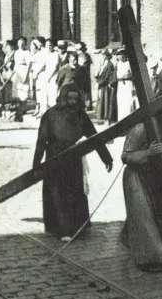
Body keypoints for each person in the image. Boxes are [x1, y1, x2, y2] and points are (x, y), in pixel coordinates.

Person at [33, 83, 113, 241]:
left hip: (73, 158)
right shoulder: (50, 115)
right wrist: (36, 164)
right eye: (70, 98)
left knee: (74, 193)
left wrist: (106, 157)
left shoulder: (81, 115)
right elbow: (41, 141)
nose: (73, 102)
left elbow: (94, 137)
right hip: (54, 159)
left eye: (76, 99)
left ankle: (78, 226)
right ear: (63, 98)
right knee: (58, 195)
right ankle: (62, 229)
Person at [120, 110, 162, 273]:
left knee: (154, 214)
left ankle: (133, 238)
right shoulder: (140, 129)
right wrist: (148, 153)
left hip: (154, 177)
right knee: (143, 216)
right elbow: (126, 156)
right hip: (135, 176)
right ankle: (149, 258)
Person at [94, 49, 116, 122]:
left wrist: (99, 83)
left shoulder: (109, 64)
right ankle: (102, 118)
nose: (101, 56)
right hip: (101, 85)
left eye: (103, 55)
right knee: (101, 100)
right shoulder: (103, 64)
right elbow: (99, 74)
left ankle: (107, 119)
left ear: (106, 56)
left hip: (106, 86)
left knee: (106, 101)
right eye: (101, 55)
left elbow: (107, 77)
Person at [115, 48, 135, 120]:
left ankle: (129, 118)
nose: (119, 56)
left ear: (125, 55)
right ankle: (121, 119)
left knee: (128, 101)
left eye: (121, 54)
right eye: (118, 55)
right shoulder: (118, 64)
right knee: (121, 101)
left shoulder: (129, 63)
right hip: (120, 85)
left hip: (128, 84)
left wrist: (128, 76)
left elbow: (134, 75)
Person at [76, 42, 93, 110]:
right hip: (81, 74)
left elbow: (84, 65)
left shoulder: (84, 55)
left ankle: (86, 105)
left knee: (84, 90)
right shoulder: (82, 55)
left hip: (84, 74)